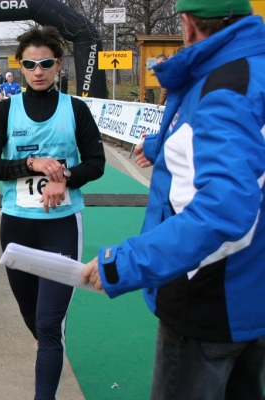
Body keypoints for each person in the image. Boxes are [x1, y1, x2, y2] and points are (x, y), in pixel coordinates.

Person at [81, 1, 265, 399]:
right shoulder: (253, 71)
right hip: (251, 291)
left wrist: (127, 261)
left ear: (188, 24)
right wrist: (160, 143)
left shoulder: (223, 86)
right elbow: (230, 147)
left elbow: (224, 205)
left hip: (209, 297)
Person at [0, 26, 105, 399]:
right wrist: (31, 163)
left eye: (46, 63)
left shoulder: (75, 109)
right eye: (30, 64)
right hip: (17, 227)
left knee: (50, 324)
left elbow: (96, 163)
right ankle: (46, 348)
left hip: (61, 227)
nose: (38, 71)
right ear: (19, 66)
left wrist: (63, 176)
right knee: (33, 318)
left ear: (58, 64)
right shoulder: (5, 110)